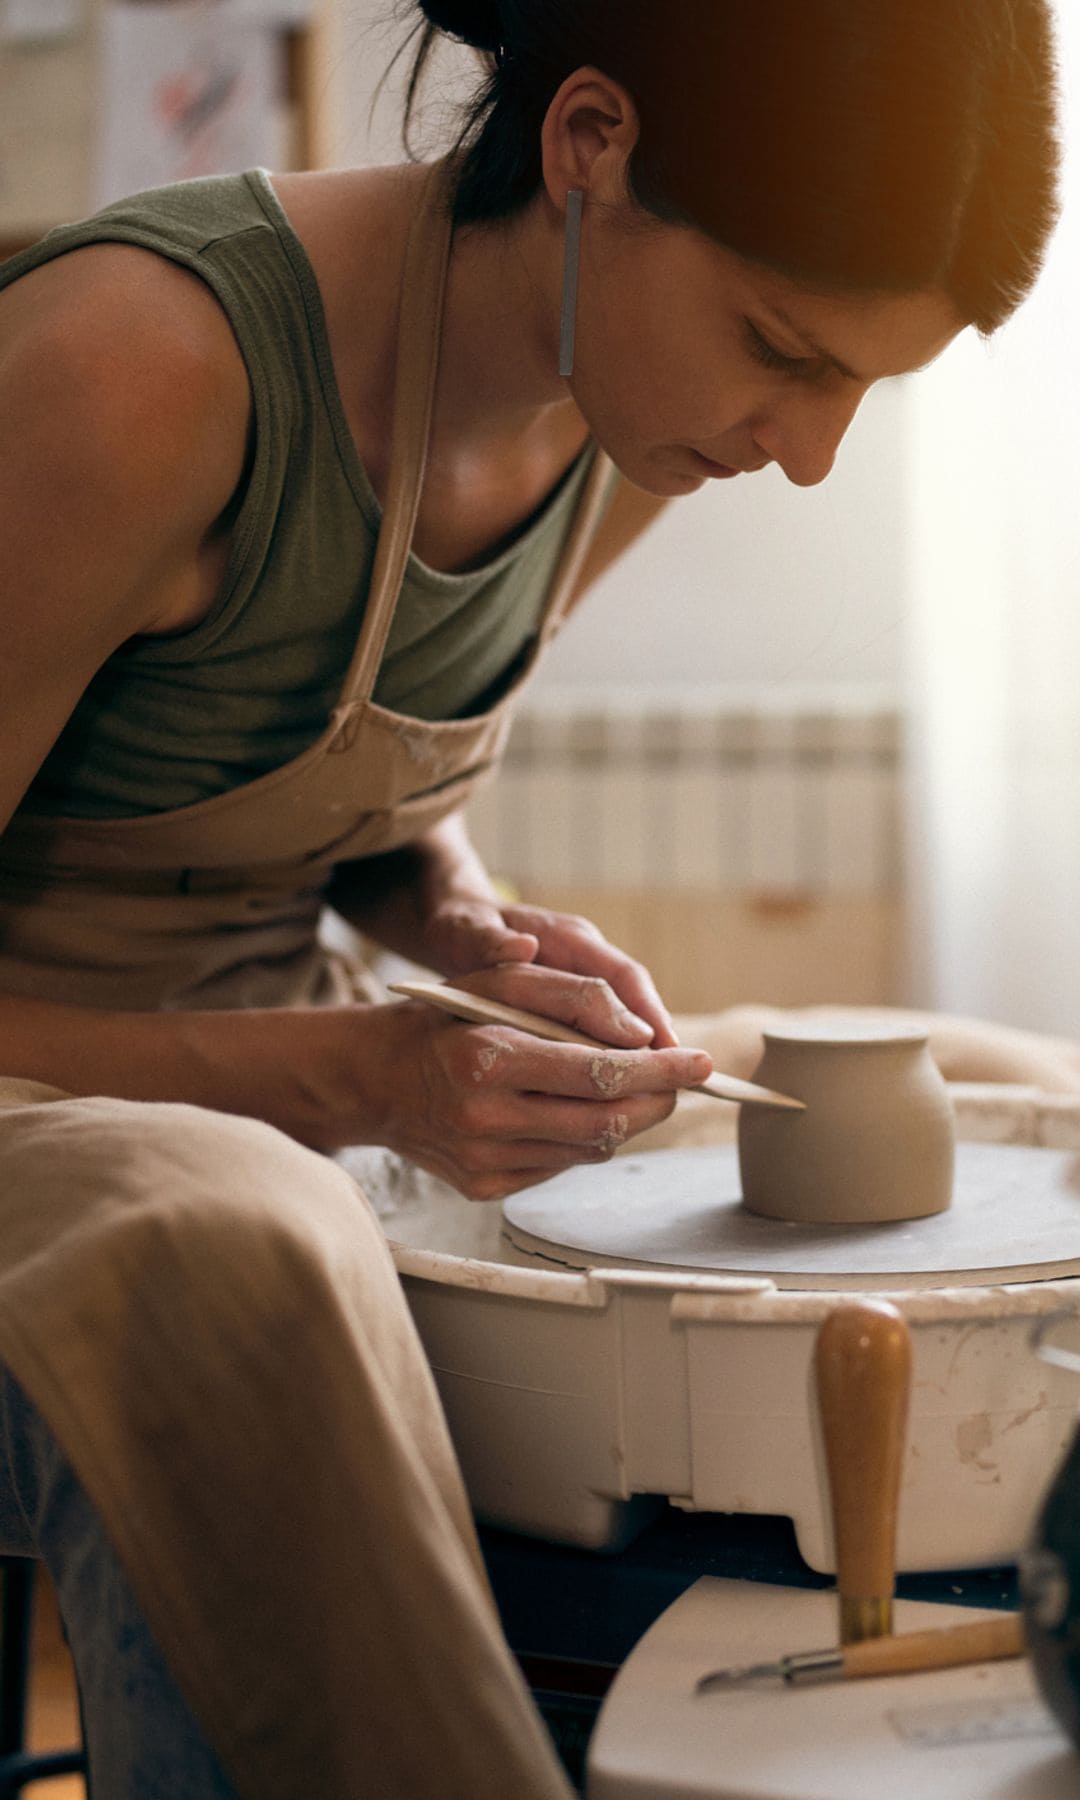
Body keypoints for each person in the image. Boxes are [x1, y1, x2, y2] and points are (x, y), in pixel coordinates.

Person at [0, 0, 1066, 1794]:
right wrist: (356, 1080)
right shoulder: (134, 370)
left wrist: (462, 922)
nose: (806, 453)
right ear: (588, 143)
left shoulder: (625, 412)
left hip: (284, 1065)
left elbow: (334, 796)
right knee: (243, 1227)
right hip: (80, 1111)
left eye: (864, 392)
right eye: (784, 350)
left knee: (955, 1068)